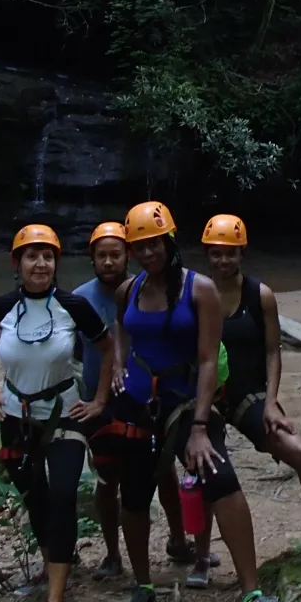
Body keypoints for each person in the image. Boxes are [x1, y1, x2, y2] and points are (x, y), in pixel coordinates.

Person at [109, 201, 297, 602]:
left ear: (169, 241)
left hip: (187, 403)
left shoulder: (200, 290)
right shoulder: (129, 290)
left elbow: (209, 359)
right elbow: (120, 328)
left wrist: (198, 427)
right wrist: (119, 364)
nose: (148, 252)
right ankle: (143, 586)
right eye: (139, 246)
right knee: (134, 496)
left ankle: (251, 592)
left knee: (222, 481)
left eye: (154, 243)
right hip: (138, 405)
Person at [185, 214, 301, 589]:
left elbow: (272, 351)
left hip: (247, 394)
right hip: (206, 399)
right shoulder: (195, 293)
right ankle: (201, 556)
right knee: (204, 467)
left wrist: (270, 401)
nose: (222, 261)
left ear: (242, 253)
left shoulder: (259, 295)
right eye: (215, 254)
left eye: (229, 253)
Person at [0, 224, 116, 602]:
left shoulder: (74, 306)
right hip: (16, 417)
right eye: (32, 256)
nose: (41, 263)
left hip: (64, 414)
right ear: (17, 263)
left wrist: (100, 400)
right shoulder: (0, 308)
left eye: (48, 256)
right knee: (34, 496)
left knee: (64, 493)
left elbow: (107, 347)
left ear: (56, 263)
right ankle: (54, 562)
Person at [72, 221, 208, 580]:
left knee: (163, 471)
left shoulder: (140, 290)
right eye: (101, 255)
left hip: (144, 400)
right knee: (108, 479)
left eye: (115, 254)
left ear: (126, 255)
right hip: (97, 401)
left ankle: (178, 541)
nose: (109, 262)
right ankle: (113, 555)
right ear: (91, 258)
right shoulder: (81, 297)